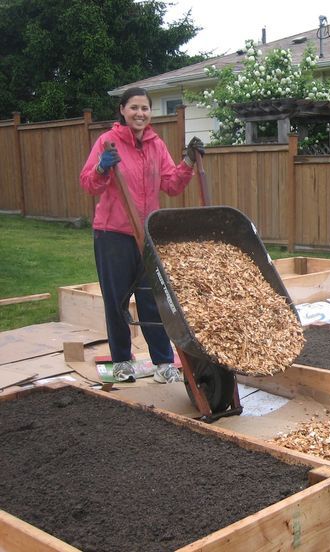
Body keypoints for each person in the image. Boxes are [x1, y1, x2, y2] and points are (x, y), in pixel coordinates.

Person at [80, 87, 205, 382]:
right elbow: (89, 184)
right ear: (122, 110)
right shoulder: (107, 142)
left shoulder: (155, 145)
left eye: (145, 108)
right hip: (113, 235)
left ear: (150, 113)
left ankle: (163, 363)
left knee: (154, 300)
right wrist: (101, 167)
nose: (140, 113)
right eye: (134, 107)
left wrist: (187, 161)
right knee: (117, 300)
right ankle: (122, 361)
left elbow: (172, 185)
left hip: (147, 235)